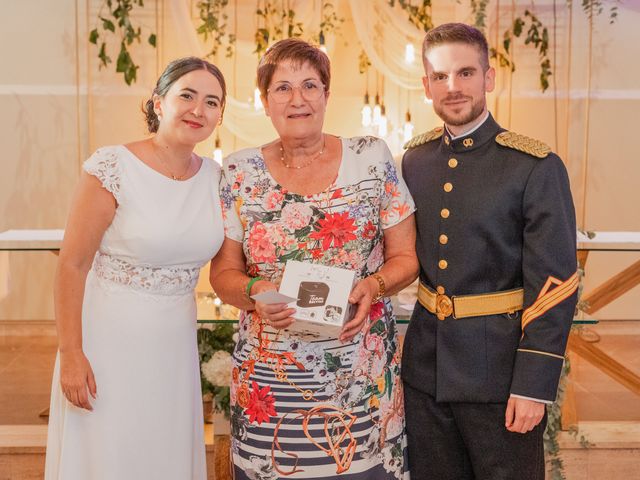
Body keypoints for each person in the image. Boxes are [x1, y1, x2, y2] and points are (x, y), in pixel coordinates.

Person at [210, 38, 418, 479]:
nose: (297, 98)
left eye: (309, 85)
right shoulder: (238, 172)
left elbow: (406, 258)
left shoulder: (371, 158)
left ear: (326, 94)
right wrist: (253, 289)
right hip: (270, 377)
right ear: (265, 102)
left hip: (359, 371)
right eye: (282, 88)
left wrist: (374, 285)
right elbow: (224, 274)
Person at [401, 23, 578, 480]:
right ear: (426, 86)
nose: (453, 87)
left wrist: (534, 384)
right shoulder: (414, 161)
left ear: (489, 77)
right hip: (425, 372)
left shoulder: (534, 166)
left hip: (500, 379)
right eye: (440, 76)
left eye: (465, 72)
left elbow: (555, 286)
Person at [45, 57, 227, 480]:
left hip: (173, 347)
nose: (198, 110)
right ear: (159, 102)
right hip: (108, 343)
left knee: (162, 452)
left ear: (220, 116)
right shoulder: (113, 167)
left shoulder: (217, 178)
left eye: (212, 102)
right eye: (187, 95)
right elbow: (71, 265)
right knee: (110, 452)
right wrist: (71, 353)